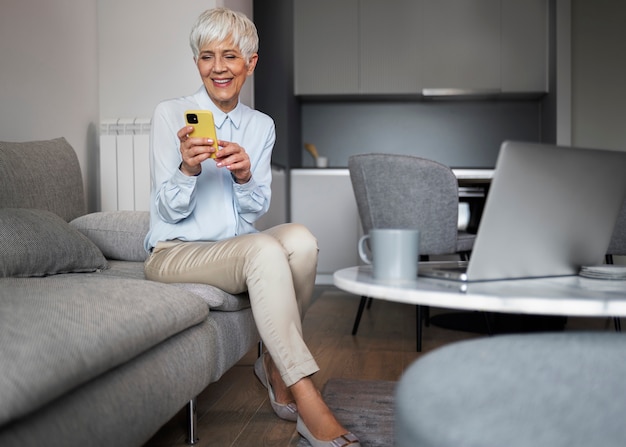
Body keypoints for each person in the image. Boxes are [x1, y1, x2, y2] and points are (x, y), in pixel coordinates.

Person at [143, 8, 360, 447]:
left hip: (232, 247)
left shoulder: (261, 127)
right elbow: (167, 210)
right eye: (207, 56)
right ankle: (304, 392)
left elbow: (256, 206)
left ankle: (275, 365)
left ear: (251, 62)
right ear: (196, 62)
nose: (218, 67)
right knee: (263, 249)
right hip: (175, 251)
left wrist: (243, 177)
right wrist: (187, 170)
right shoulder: (171, 115)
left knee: (299, 240)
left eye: (230, 55)